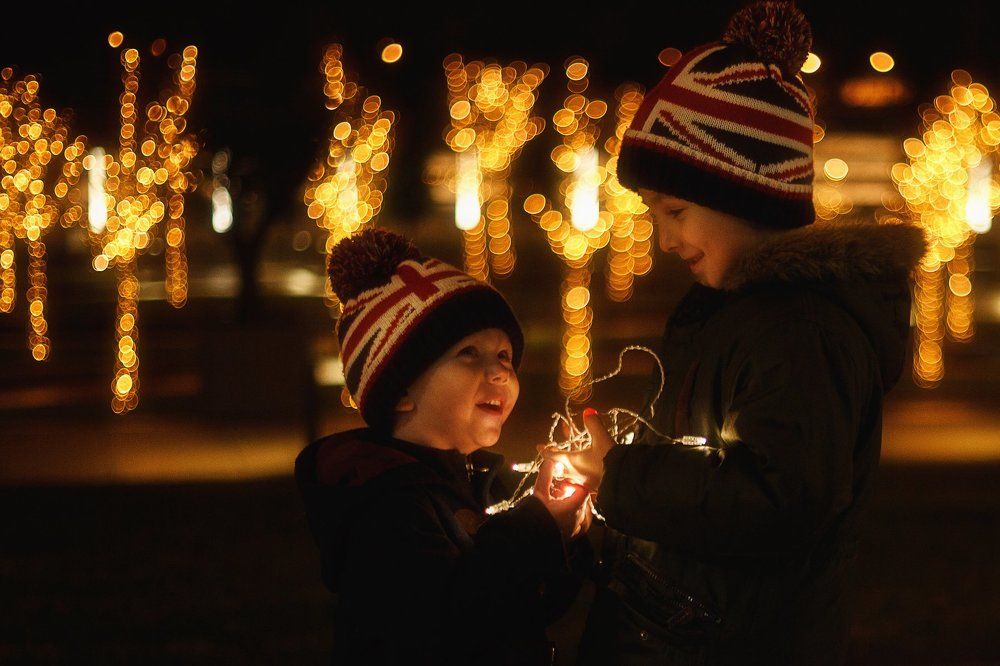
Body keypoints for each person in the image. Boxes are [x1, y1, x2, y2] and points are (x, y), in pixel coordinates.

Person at [541, 2, 928, 663]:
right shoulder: (731, 316)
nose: (665, 240)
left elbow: (778, 502)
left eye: (677, 211)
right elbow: (700, 485)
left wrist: (623, 477)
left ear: (745, 193)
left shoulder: (801, 332)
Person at [295, 228, 593, 665]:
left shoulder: (482, 483)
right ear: (401, 392)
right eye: (469, 353)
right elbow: (452, 617)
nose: (498, 373)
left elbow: (522, 608)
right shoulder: (385, 504)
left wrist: (568, 538)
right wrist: (537, 526)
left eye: (505, 356)